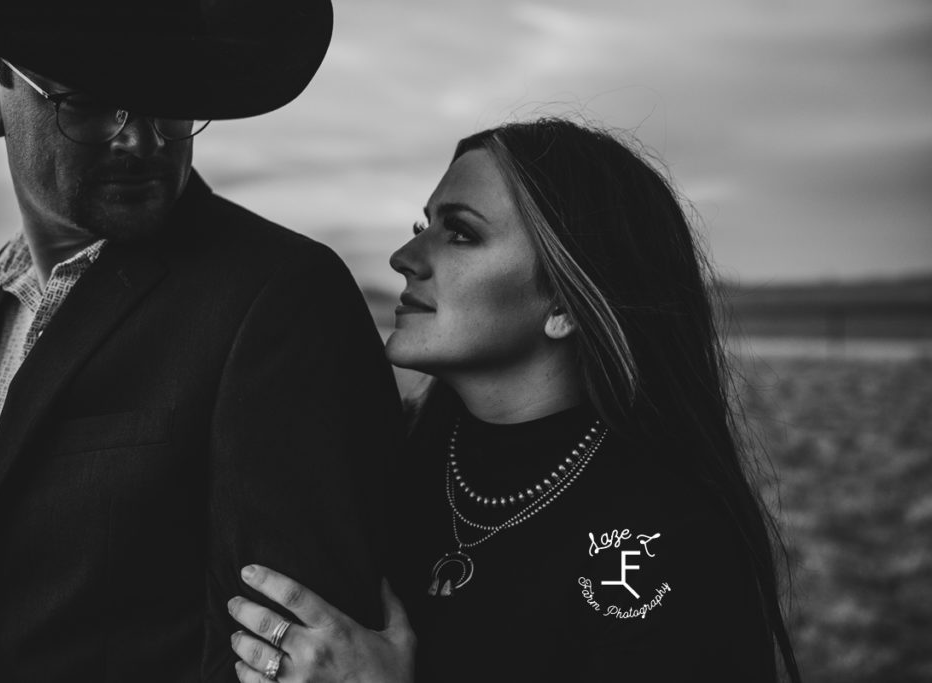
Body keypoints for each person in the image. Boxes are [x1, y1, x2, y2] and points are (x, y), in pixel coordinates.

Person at [0, 0, 404, 681]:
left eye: (170, 104)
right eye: (88, 103)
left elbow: (293, 656)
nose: (142, 140)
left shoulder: (281, 298)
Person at [227, 119, 803, 682]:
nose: (405, 256)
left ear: (564, 306)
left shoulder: (666, 538)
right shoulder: (386, 460)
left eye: (460, 233)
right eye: (422, 225)